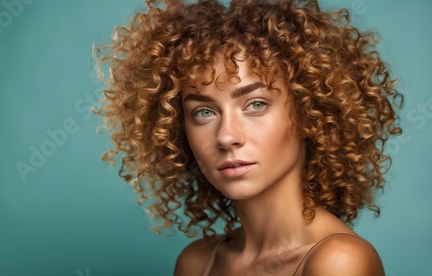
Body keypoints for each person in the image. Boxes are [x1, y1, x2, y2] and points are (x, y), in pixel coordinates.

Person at [94, 0, 403, 275]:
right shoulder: (197, 263)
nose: (226, 136)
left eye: (256, 104)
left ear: (311, 113)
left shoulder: (339, 262)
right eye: (203, 112)